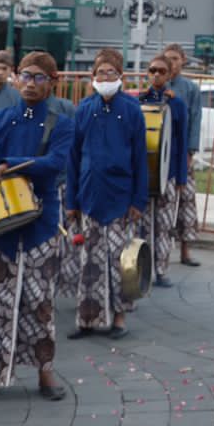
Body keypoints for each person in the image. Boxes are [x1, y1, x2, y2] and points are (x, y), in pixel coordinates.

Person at [0, 51, 72, 403]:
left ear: (53, 82)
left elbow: (56, 163)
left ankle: (45, 373)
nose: (30, 83)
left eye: (39, 77)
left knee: (39, 299)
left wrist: (9, 165)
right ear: (17, 79)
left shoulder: (61, 123)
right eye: (26, 76)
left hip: (41, 222)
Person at [66, 48, 148, 339]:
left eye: (111, 72)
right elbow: (73, 157)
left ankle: (120, 319)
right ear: (93, 77)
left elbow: (140, 158)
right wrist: (71, 200)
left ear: (120, 76)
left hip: (121, 198)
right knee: (88, 262)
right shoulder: (84, 109)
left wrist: (138, 200)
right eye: (100, 72)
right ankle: (87, 319)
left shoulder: (132, 110)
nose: (105, 77)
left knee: (120, 262)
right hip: (89, 196)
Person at [140, 57, 191, 287]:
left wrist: (181, 177)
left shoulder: (177, 104)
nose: (156, 75)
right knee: (143, 225)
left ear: (169, 75)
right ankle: (141, 269)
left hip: (167, 173)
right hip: (144, 174)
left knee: (163, 225)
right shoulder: (139, 100)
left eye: (161, 71)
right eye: (152, 70)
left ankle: (161, 270)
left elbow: (181, 142)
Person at [161, 42, 201, 266]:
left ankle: (186, 251)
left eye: (175, 59)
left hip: (182, 152)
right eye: (168, 58)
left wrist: (190, 151)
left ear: (183, 61)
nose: (172, 63)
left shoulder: (190, 88)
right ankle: (161, 251)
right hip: (160, 153)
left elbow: (195, 120)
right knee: (163, 202)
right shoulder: (158, 85)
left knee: (186, 201)